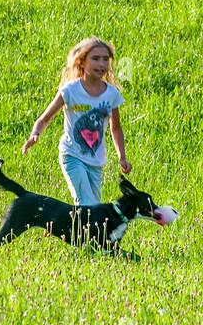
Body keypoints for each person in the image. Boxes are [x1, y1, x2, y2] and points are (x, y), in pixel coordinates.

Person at [22, 37, 132, 205]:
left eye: (105, 59)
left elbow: (115, 128)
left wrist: (122, 157)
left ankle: (61, 224)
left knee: (93, 210)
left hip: (96, 161)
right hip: (72, 154)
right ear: (81, 62)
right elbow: (45, 118)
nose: (101, 64)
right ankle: (64, 223)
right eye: (95, 59)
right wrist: (35, 134)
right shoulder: (70, 91)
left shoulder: (112, 95)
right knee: (86, 204)